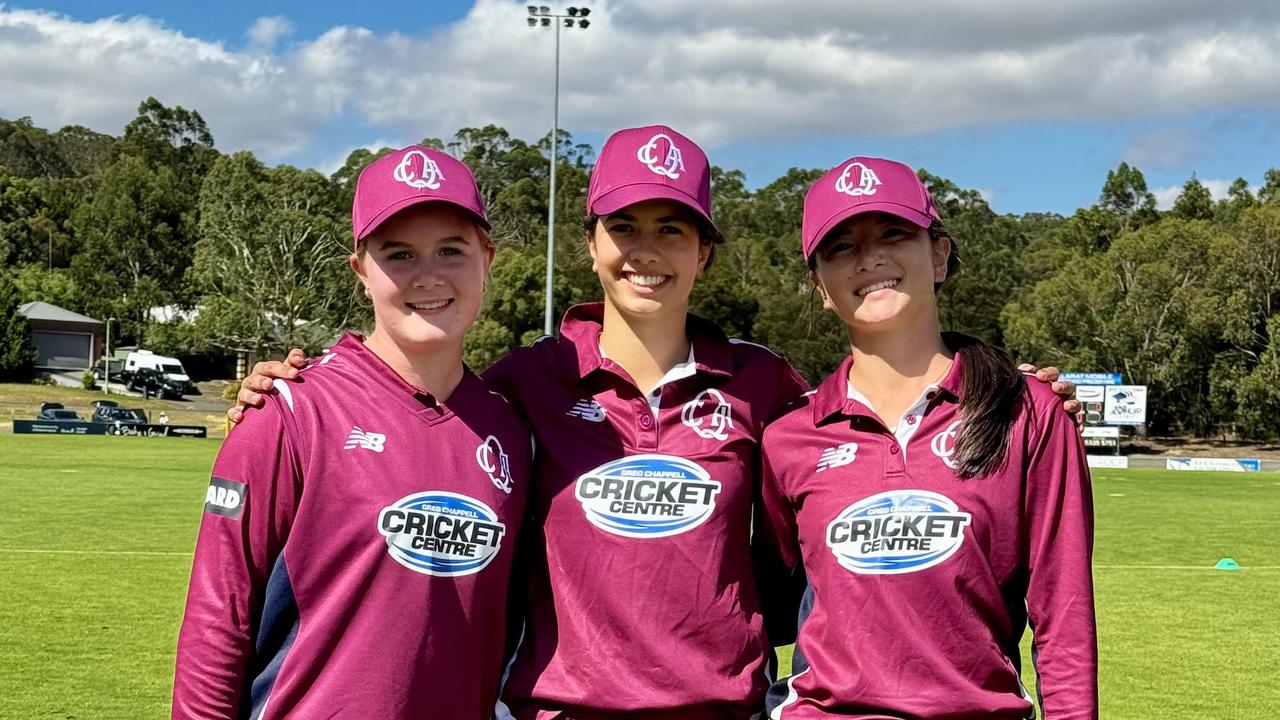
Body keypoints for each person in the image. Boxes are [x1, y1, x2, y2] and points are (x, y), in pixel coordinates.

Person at [228, 132, 1079, 719]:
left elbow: (798, 563)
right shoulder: (522, 383)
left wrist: (1011, 384)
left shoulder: (764, 385)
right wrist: (289, 386)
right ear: (592, 242)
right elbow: (419, 419)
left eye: (673, 229)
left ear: (705, 251)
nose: (647, 250)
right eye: (624, 227)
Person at [172, 146, 531, 720]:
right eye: (399, 255)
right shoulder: (288, 409)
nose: (429, 276)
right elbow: (219, 619)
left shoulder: (514, 430)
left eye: (451, 250)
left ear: (486, 259)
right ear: (361, 270)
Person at [758, 157, 1097, 719]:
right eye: (841, 248)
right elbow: (758, 606)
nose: (871, 259)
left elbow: (1064, 619)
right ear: (819, 285)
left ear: (939, 254)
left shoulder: (1030, 412)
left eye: (894, 234)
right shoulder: (788, 434)